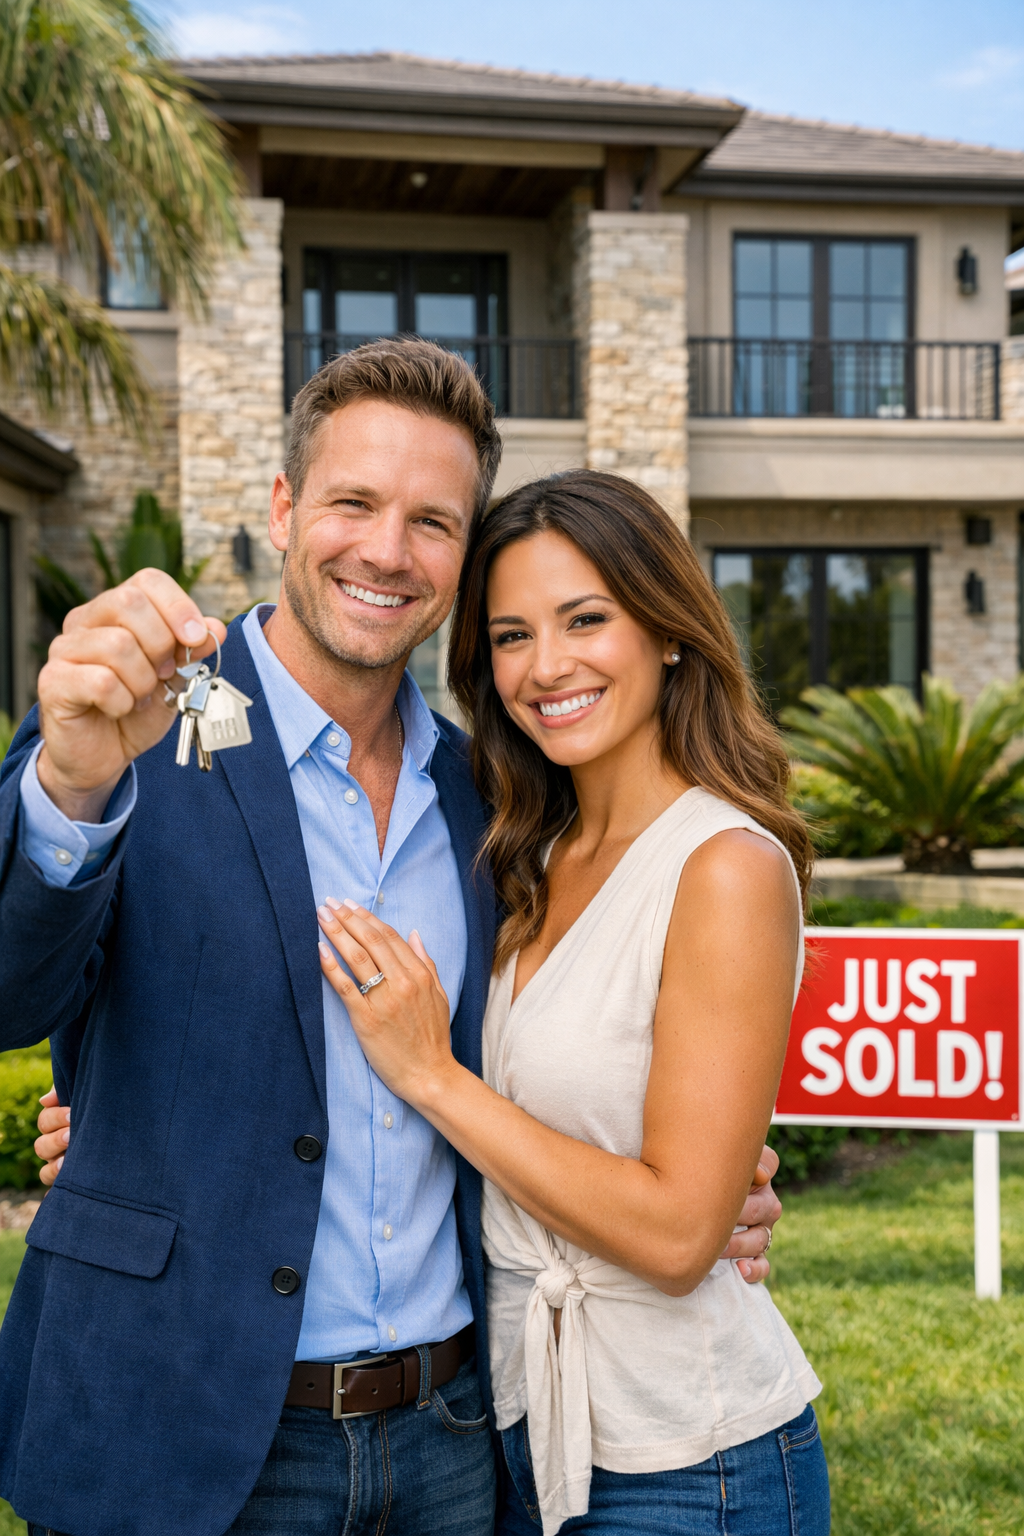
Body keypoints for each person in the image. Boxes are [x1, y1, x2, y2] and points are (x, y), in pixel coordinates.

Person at [1, 338, 779, 1536]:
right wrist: (68, 783)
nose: (384, 549)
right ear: (283, 506)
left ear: (462, 556)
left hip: (454, 1441)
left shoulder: (500, 803)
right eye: (353, 501)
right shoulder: (128, 734)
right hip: (183, 1423)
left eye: (432, 520)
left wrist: (711, 1182)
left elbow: (576, 1047)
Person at [311, 469, 829, 1536]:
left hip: (687, 1462)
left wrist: (431, 1077)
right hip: (514, 1436)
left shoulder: (723, 865)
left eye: (585, 619)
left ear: (669, 631)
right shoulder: (524, 855)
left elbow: (683, 1234)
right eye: (508, 636)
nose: (546, 667)